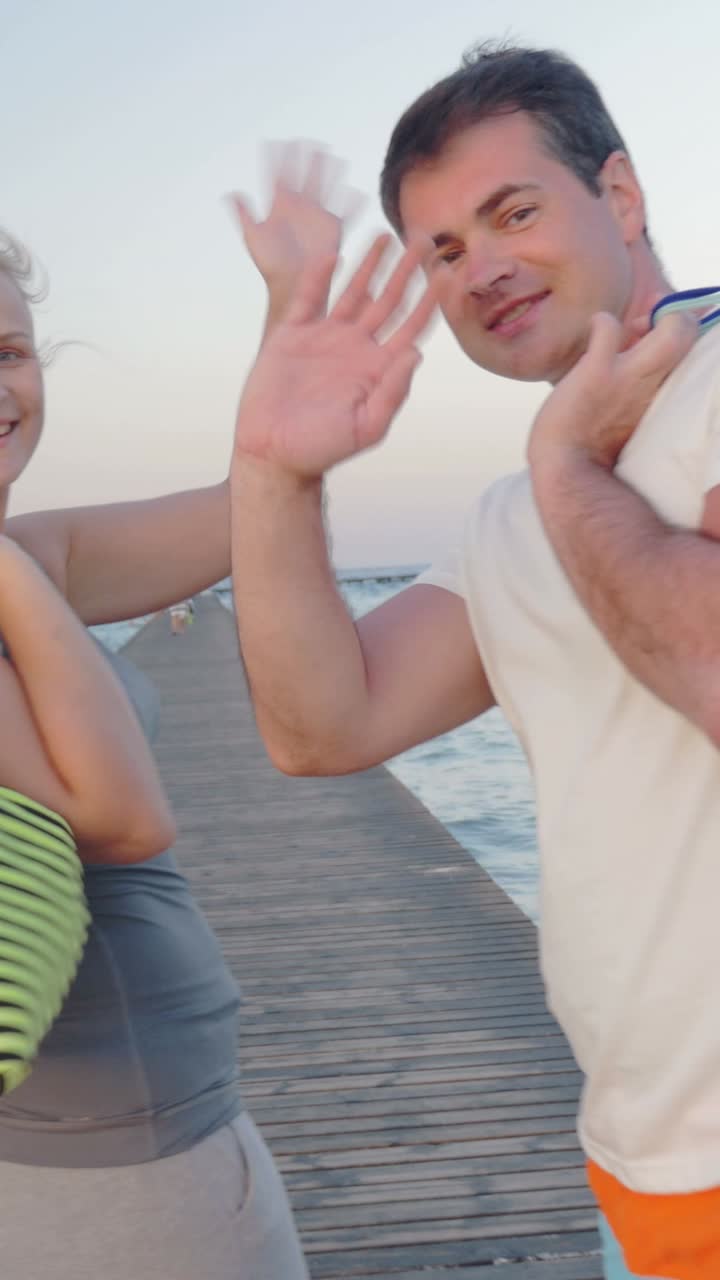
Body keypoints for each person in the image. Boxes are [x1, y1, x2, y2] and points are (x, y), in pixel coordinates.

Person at [229, 44, 720, 1280]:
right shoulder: (512, 516)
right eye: (441, 250)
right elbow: (321, 724)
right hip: (644, 1167)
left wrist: (568, 470)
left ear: (620, 196)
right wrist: (276, 468)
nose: (481, 269)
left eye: (512, 212)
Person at [0, 176, 334, 1277]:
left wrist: (290, 315)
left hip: (149, 1135)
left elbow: (253, 508)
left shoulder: (30, 556)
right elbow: (123, 817)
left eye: (8, 351)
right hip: (93, 1169)